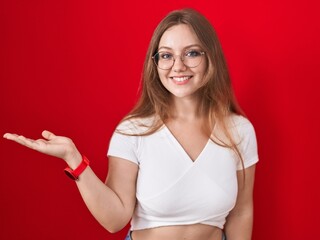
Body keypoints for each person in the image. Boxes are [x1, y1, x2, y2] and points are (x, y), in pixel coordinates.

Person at [3, 8, 258, 240]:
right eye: (166, 55)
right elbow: (115, 220)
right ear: (155, 63)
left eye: (191, 53)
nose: (178, 66)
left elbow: (241, 212)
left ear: (210, 58)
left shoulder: (238, 130)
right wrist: (74, 158)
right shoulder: (133, 131)